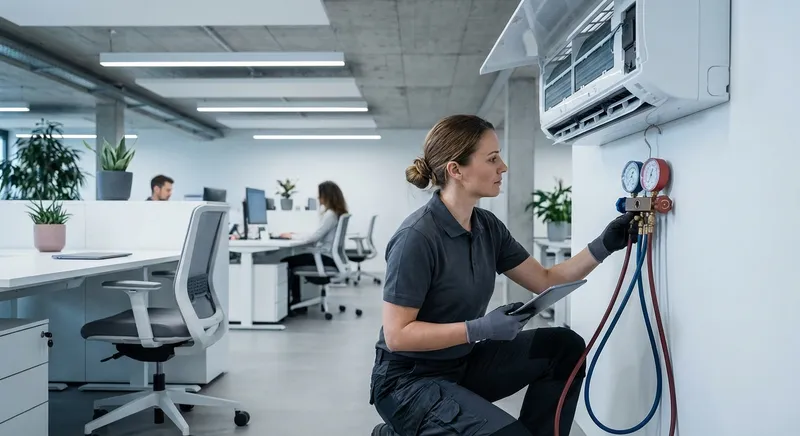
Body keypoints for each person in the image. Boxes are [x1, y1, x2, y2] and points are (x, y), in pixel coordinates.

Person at [369, 115, 636, 436]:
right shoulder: (417, 237)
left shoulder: (487, 227)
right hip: (407, 382)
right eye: (492, 158)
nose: (504, 167)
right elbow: (398, 336)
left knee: (564, 347)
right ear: (456, 170)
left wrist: (604, 244)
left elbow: (545, 279)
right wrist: (479, 328)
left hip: (460, 365)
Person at [279, 181, 349, 313]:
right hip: (331, 257)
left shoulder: (330, 214)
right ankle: (296, 301)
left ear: (327, 196)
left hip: (324, 258)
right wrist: (295, 234)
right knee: (294, 259)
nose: (318, 198)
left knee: (287, 262)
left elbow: (315, 237)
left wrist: (291, 237)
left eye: (320, 195)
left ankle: (294, 303)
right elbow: (317, 234)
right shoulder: (337, 213)